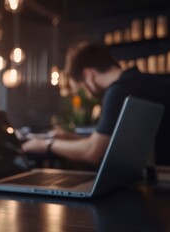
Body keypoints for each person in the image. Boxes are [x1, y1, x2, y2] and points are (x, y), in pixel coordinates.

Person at [22, 41, 170, 166]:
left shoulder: (118, 91)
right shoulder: (137, 82)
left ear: (89, 75)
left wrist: (46, 145)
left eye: (81, 87)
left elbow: (93, 153)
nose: (85, 94)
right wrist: (73, 139)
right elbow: (109, 146)